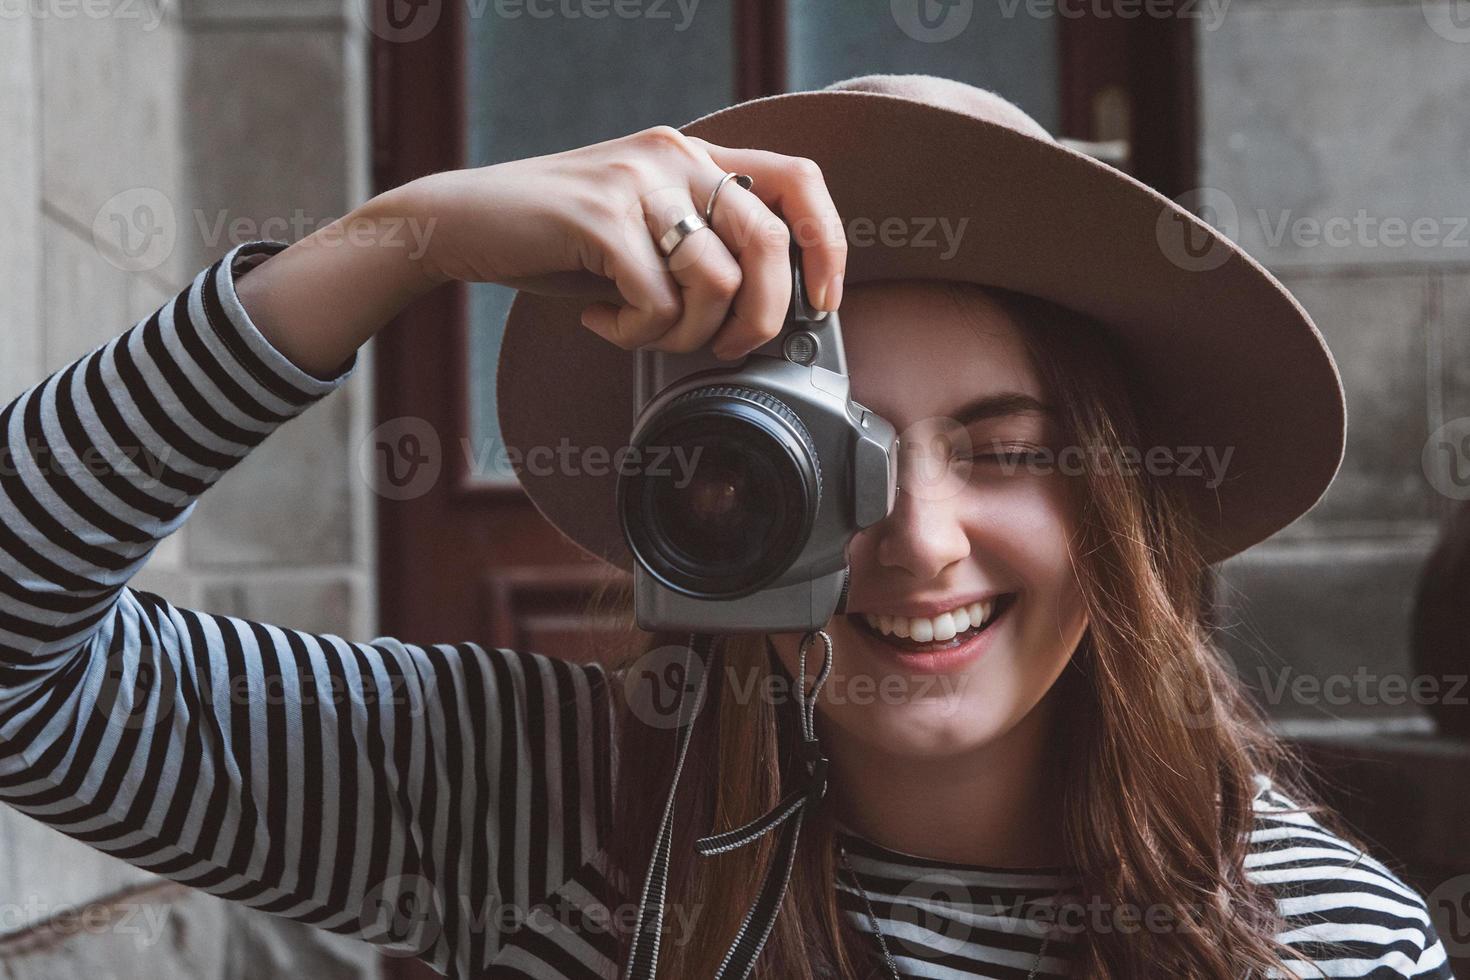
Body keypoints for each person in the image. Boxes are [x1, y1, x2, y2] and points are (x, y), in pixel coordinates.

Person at [0, 74, 1452, 979]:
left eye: (1007, 452)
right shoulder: (532, 797)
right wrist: (396, 243)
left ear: (1121, 505)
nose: (922, 539)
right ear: (709, 500)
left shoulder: (1319, 937)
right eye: (829, 459)